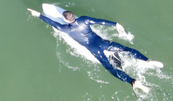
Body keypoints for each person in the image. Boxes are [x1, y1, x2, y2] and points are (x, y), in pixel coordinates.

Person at [27, 8, 163, 93]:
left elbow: (52, 23)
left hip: (94, 50)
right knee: (125, 49)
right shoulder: (84, 20)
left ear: (65, 19)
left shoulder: (65, 29)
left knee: (111, 69)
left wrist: (37, 14)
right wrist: (116, 24)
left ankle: (133, 82)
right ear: (73, 16)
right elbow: (100, 21)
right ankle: (147, 61)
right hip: (102, 43)